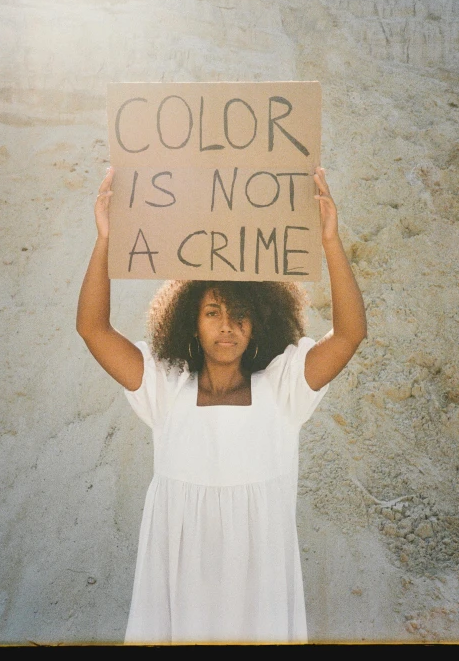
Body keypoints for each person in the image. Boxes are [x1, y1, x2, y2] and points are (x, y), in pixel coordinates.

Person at [76, 165, 367, 645]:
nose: (226, 326)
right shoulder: (165, 387)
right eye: (212, 312)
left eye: (239, 314)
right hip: (180, 573)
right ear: (190, 321)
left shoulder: (283, 389)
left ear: (260, 323)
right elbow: (93, 330)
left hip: (261, 578)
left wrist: (330, 241)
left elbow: (350, 333)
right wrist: (104, 238)